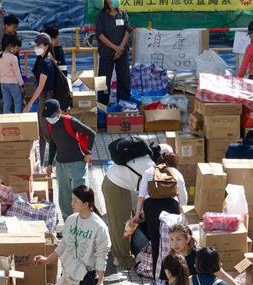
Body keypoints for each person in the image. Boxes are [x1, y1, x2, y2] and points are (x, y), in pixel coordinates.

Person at [34, 185, 108, 285]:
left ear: (86, 204)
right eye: (72, 200)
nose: (71, 203)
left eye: (75, 200)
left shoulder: (99, 226)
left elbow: (102, 255)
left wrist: (100, 281)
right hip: (68, 276)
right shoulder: (70, 220)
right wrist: (47, 260)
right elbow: (64, 245)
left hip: (86, 280)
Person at [40, 100, 96, 223]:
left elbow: (91, 133)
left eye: (52, 115)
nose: (49, 119)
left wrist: (88, 153)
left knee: (80, 197)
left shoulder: (70, 121)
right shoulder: (50, 124)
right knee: (64, 198)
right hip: (61, 165)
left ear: (59, 112)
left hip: (77, 164)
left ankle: (84, 223)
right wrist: (50, 164)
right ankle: (69, 223)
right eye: (47, 116)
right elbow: (52, 143)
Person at [101, 142, 155, 270]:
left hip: (111, 183)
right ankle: (123, 259)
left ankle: (118, 255)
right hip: (117, 188)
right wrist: (139, 214)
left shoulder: (144, 158)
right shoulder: (150, 168)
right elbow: (144, 193)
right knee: (123, 225)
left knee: (117, 224)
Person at [134, 147, 188, 262]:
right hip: (170, 205)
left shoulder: (149, 172)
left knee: (155, 241)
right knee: (173, 240)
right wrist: (182, 209)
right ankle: (172, 271)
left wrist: (137, 214)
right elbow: (183, 194)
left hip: (151, 206)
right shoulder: (176, 173)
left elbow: (141, 195)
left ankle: (156, 276)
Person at [24, 34, 59, 165]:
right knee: (41, 133)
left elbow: (41, 86)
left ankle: (49, 164)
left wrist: (29, 104)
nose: (36, 48)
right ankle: (40, 163)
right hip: (46, 99)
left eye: (38, 46)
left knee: (47, 135)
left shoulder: (45, 63)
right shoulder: (47, 59)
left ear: (46, 46)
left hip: (46, 99)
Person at [95, 0, 132, 105]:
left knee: (124, 80)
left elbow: (127, 31)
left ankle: (124, 105)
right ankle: (102, 105)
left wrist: (120, 48)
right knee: (103, 80)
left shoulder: (123, 14)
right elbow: (100, 35)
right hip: (106, 52)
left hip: (122, 52)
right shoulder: (101, 16)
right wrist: (115, 48)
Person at [0, 35, 23, 114]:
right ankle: (18, 119)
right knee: (18, 102)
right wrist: (21, 84)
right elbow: (17, 72)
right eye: (17, 48)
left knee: (6, 103)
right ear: (11, 46)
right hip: (13, 83)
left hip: (3, 83)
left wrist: (1, 80)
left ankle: (6, 119)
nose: (18, 51)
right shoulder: (13, 58)